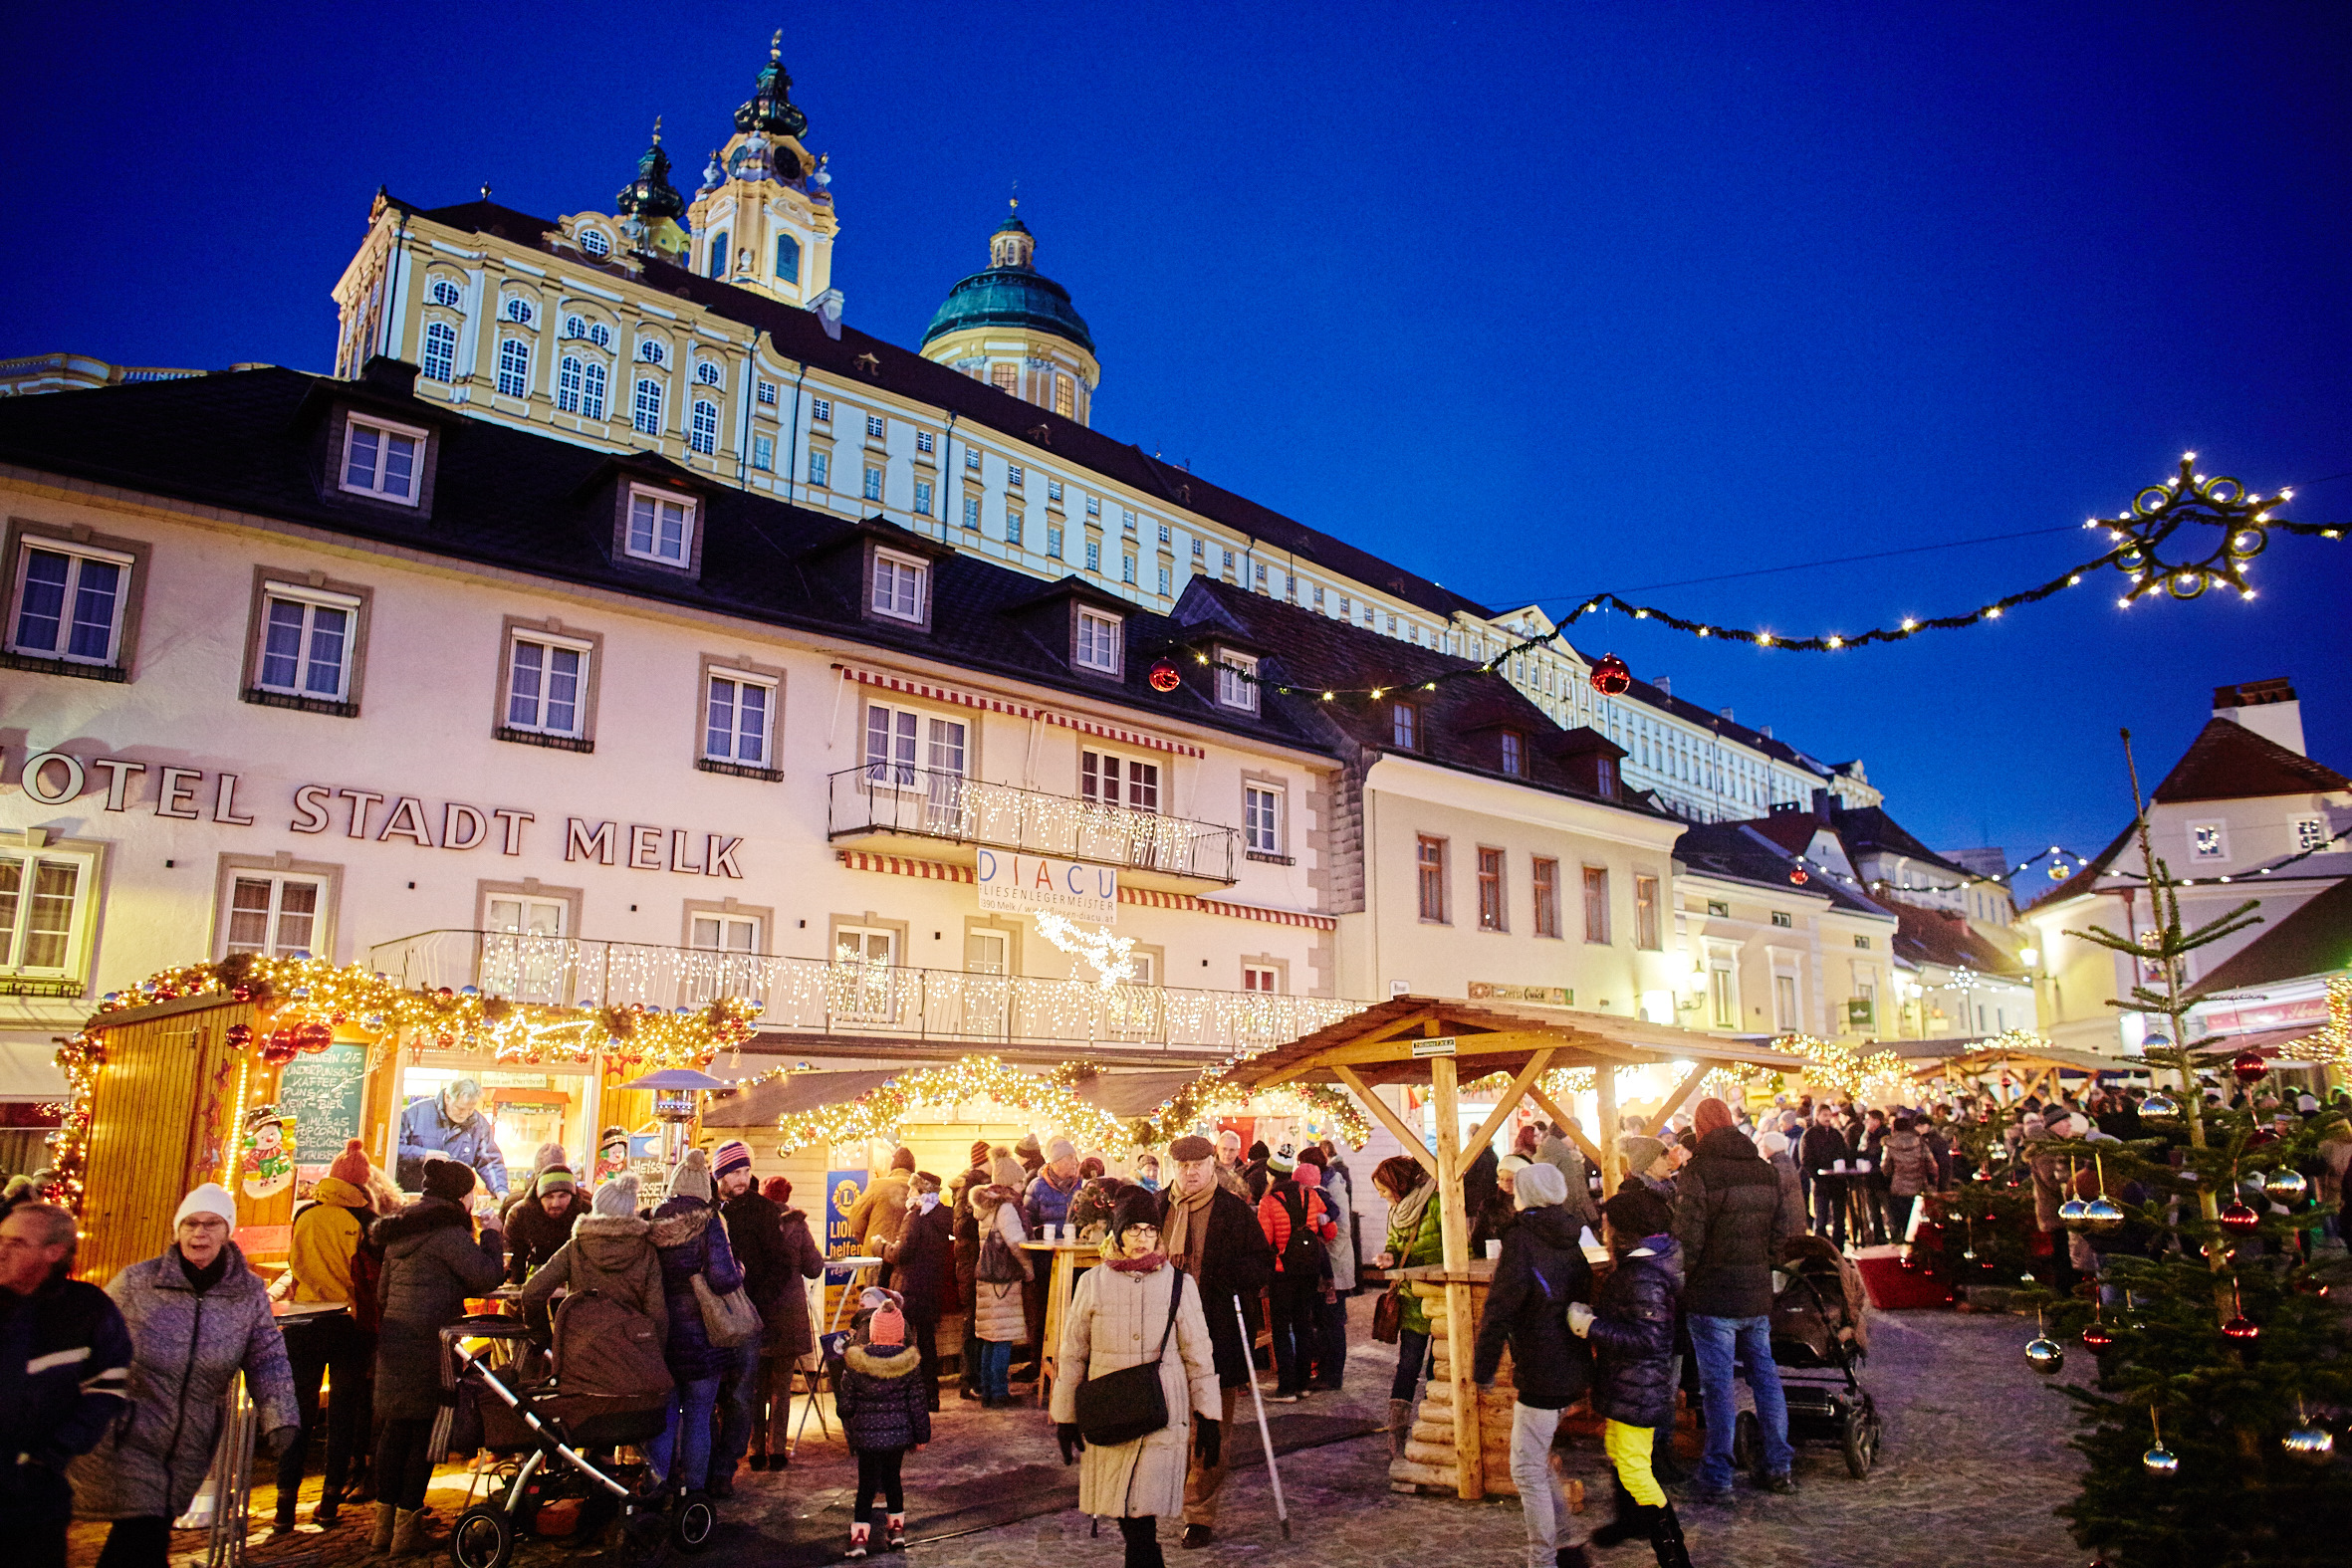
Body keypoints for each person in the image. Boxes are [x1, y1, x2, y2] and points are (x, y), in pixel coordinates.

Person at [73, 1185, 300, 1568]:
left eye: (212, 1224)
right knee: (141, 1530)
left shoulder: (247, 1293)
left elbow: (266, 1357)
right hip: (133, 1432)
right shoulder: (137, 1283)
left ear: (228, 1231)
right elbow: (89, 1341)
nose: (200, 1233)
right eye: (191, 1223)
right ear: (177, 1229)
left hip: (192, 1439)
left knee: (149, 1533)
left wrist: (281, 1418)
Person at [1052, 1189, 1221, 1568]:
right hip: (1110, 1405)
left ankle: (1145, 1556)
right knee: (1123, 1501)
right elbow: (1073, 1351)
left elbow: (1198, 1354)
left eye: (1149, 1230)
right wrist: (1065, 1415)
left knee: (1141, 1507)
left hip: (1162, 1406)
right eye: (1133, 1229)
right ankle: (1146, 1555)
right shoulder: (1092, 1283)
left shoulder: (1180, 1284)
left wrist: (1208, 1416)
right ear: (1117, 1232)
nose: (1142, 1238)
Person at [370, 1159, 504, 1557]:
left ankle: (383, 1529)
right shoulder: (447, 1233)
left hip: (395, 1343)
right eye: (470, 1193)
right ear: (459, 1195)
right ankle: (406, 1531)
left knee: (395, 1431)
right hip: (431, 1346)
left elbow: (381, 1295)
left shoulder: (402, 1231)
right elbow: (487, 1277)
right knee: (426, 1436)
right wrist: (493, 1235)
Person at [1672, 1097, 1798, 1503]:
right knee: (1766, 1377)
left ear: (1702, 1128)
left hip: (1712, 1297)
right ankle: (1779, 1465)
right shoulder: (1763, 1170)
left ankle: (1718, 1476)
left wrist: (1686, 1276)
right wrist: (1765, 1263)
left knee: (1719, 1387)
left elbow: (1687, 1238)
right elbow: (1783, 1229)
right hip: (1755, 1294)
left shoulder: (1698, 1171)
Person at [1472, 1163, 1596, 1568]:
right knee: (1536, 1462)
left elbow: (1499, 1309)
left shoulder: (1523, 1239)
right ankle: (1565, 1547)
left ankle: (1543, 1560)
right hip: (1570, 1360)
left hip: (1543, 1366)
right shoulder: (1570, 1235)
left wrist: (1483, 1367)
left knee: (1525, 1468)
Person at [1157, 1134, 1274, 1548]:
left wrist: (1230, 1278)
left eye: (1198, 1165)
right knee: (1163, 1422)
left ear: (1213, 1166)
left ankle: (1200, 1513)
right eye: (1183, 1166)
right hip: (1160, 1336)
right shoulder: (1157, 1208)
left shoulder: (1232, 1211)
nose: (1190, 1173)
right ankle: (1158, 1495)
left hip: (1215, 1330)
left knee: (1210, 1426)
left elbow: (1261, 1262)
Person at [0, 1202, 131, 1568]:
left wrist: (51, 1453)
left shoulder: (85, 1310)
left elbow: (107, 1386)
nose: (2, 1250)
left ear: (53, 1252)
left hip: (34, 1499)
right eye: (1, 1239)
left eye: (17, 1243)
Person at [1569, 1185, 1691, 1568]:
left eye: (1606, 1225)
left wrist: (1589, 1327)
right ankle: (1630, 1520)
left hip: (1639, 1385)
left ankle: (1674, 1556)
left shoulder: (1643, 1276)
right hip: (1631, 1382)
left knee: (1637, 1469)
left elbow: (1647, 1337)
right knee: (1618, 1452)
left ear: (1625, 1229)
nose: (1603, 1231)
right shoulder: (1644, 1267)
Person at [274, 1138, 380, 1533]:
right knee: (343, 1414)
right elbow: (370, 1283)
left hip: (301, 1323)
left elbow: (294, 1265)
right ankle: (330, 1500)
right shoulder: (366, 1223)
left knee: (298, 1411)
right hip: (347, 1325)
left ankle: (285, 1503)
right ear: (363, 1182)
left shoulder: (305, 1214)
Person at [647, 1148, 746, 1499]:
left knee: (664, 1417)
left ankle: (658, 1487)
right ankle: (695, 1494)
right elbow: (722, 1279)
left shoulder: (651, 1223)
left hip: (661, 1336)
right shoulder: (709, 1223)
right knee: (700, 1416)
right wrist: (739, 1272)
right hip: (703, 1335)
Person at [712, 1141, 787, 1492]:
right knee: (711, 1394)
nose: (742, 1179)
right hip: (710, 1318)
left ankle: (726, 1469)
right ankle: (708, 1462)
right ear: (719, 1175)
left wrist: (759, 1303)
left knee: (742, 1395)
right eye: (734, 1172)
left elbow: (781, 1265)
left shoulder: (763, 1211)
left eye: (745, 1171)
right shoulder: (709, 1211)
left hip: (747, 1315)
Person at [832, 1293, 931, 1558]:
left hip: (867, 1440)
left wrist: (852, 1423)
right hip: (898, 1439)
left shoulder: (856, 1365)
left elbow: (845, 1406)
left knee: (865, 1486)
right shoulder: (909, 1366)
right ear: (900, 1336)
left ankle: (859, 1540)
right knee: (892, 1481)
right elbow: (918, 1405)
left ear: (872, 1334)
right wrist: (922, 1436)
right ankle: (896, 1532)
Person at [517, 1171, 666, 1338]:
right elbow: (657, 1312)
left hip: (579, 1344)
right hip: (629, 1347)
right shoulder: (646, 1251)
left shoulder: (577, 1247)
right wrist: (650, 1349)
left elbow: (532, 1291)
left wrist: (542, 1334)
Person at [1370, 1154, 1445, 1455]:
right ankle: (1397, 1432)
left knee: (1439, 1365)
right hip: (1411, 1298)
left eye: (1384, 1190)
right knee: (1408, 1363)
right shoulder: (1398, 1211)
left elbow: (1457, 1249)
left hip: (1440, 1298)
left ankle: (1436, 1423)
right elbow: (1394, 1243)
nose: (1382, 1196)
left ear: (1399, 1184)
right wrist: (1388, 1256)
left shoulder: (1437, 1205)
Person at [750, 1176, 824, 1465]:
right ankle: (777, 1450)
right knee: (782, 1384)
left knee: (756, 1385)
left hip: (758, 1311)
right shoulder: (798, 1225)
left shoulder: (755, 1223)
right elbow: (815, 1268)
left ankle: (755, 1449)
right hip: (789, 1313)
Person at [1256, 1145, 1332, 1403]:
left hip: (1282, 1272)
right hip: (1309, 1270)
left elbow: (1265, 1240)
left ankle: (1286, 1388)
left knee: (1281, 1329)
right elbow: (1327, 1225)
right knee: (1303, 1325)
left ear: (1272, 1175)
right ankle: (1303, 1384)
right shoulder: (1310, 1196)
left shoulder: (1268, 1202)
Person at [883, 1172, 954, 1411]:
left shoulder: (914, 1217)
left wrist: (881, 1246)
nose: (909, 1194)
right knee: (927, 1342)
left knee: (902, 1342)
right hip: (931, 1288)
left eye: (912, 1190)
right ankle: (931, 1396)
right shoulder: (943, 1216)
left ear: (921, 1191)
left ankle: (904, 1396)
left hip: (909, 1287)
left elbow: (901, 1254)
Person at [967, 1178, 1031, 1406]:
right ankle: (999, 1393)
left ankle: (987, 1392)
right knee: (1002, 1337)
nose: (1022, 1183)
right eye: (1019, 1178)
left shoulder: (984, 1206)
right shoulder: (1004, 1208)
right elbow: (1015, 1242)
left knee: (988, 1338)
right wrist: (1028, 1268)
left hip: (986, 1278)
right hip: (1003, 1279)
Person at [1024, 1139, 1083, 1377]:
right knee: (1045, 1311)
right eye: (1070, 1158)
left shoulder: (1082, 1185)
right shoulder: (1037, 1187)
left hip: (1076, 1256)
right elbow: (1026, 1221)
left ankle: (1069, 1364)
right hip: (1046, 1259)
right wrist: (1040, 1234)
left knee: (1073, 1310)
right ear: (1057, 1162)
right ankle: (1041, 1364)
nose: (1075, 1162)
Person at [1296, 1146, 1353, 1392]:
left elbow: (1340, 1227)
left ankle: (1333, 1375)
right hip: (1327, 1263)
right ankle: (1326, 1372)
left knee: (1332, 1321)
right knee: (1325, 1319)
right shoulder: (1325, 1186)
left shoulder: (1331, 1189)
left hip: (1333, 1265)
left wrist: (1321, 1244)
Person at [394, 1078, 508, 1197]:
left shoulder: (479, 1125)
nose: (464, 1114)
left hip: (456, 1200)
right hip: (415, 1196)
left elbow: (490, 1162)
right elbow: (392, 1149)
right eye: (460, 1108)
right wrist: (422, 1155)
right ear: (447, 1098)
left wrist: (501, 1191)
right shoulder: (415, 1114)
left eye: (470, 1109)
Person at [950, 1143, 992, 1403]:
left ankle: (975, 1378)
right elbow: (962, 1226)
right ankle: (970, 1380)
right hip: (971, 1262)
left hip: (969, 1262)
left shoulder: (969, 1183)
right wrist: (981, 1214)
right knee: (973, 1321)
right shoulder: (972, 1186)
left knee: (976, 1320)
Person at [502, 1158, 581, 1284]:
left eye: (563, 1196)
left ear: (572, 1195)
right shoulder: (520, 1214)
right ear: (539, 1197)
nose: (555, 1203)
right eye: (549, 1197)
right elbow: (514, 1261)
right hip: (531, 1282)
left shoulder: (585, 1213)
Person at [1799, 1105, 1852, 1249]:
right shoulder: (1810, 1135)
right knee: (1821, 1218)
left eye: (1829, 1114)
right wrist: (1816, 1177)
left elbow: (1845, 1153)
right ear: (1817, 1116)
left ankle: (1838, 1248)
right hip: (1821, 1182)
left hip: (1838, 1181)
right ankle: (1821, 1250)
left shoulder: (1836, 1134)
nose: (1828, 1118)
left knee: (1839, 1218)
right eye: (1824, 1115)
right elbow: (1806, 1159)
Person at [849, 1148, 915, 1261]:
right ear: (913, 1168)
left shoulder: (877, 1186)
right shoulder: (918, 1191)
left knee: (872, 1279)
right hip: (906, 1263)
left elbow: (856, 1219)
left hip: (875, 1258)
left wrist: (869, 1241)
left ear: (892, 1166)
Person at [1881, 1115, 1937, 1241]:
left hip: (1898, 1189)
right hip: (1918, 1187)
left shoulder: (1889, 1144)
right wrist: (1932, 1183)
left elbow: (1885, 1168)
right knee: (1917, 1224)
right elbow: (1932, 1165)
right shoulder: (1920, 1142)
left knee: (1901, 1223)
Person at [1213, 1131, 1250, 1200]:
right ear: (1217, 1149)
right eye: (1224, 1149)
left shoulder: (1246, 1172)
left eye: (1232, 1150)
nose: (1227, 1153)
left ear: (1238, 1151)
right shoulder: (1209, 1169)